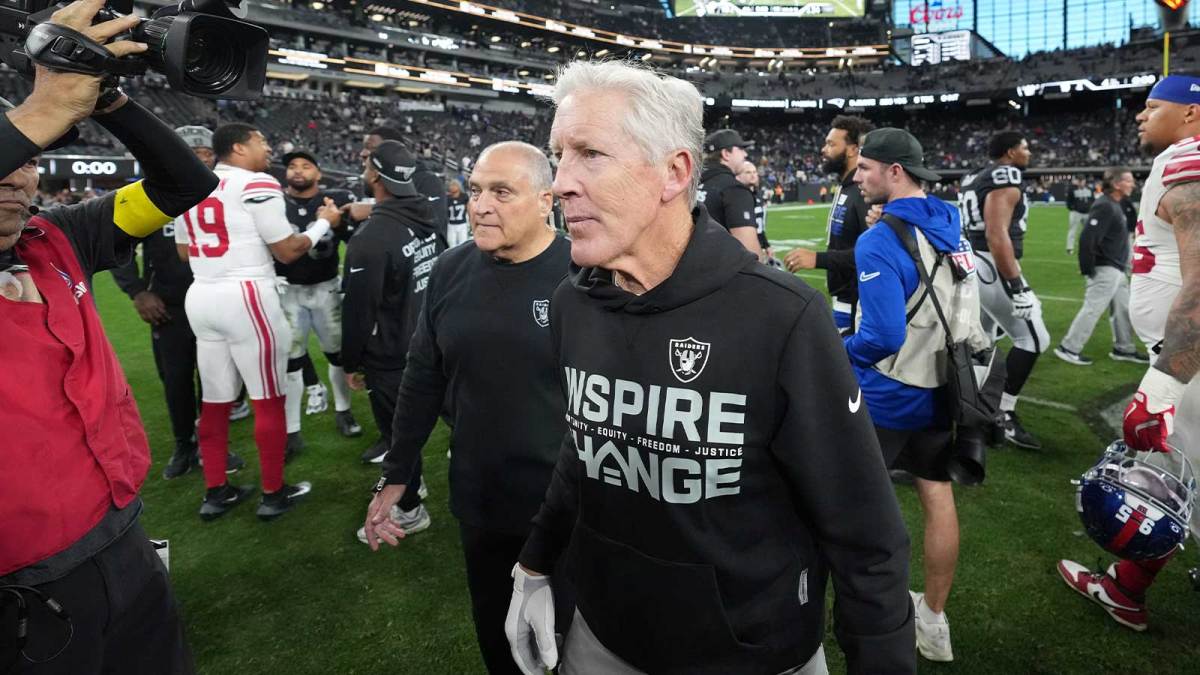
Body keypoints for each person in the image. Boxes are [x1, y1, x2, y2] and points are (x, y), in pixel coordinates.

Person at [504, 60, 913, 675]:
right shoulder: (573, 303)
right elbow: (585, 441)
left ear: (674, 172)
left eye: (589, 154)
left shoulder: (782, 317)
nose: (560, 183)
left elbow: (864, 529)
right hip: (600, 632)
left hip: (751, 653)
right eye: (559, 156)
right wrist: (536, 562)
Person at [0, 1, 217, 670]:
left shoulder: (58, 236)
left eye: (28, 161)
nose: (16, 175)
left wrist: (110, 101)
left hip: (122, 538)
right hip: (20, 590)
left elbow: (186, 182)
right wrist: (41, 111)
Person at [362, 141, 574, 675]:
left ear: (545, 200)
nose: (481, 205)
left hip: (570, 505)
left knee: (574, 643)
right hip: (482, 498)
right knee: (500, 638)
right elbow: (422, 375)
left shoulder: (585, 274)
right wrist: (397, 471)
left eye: (501, 192)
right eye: (476, 191)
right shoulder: (451, 269)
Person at [1058, 74, 1200, 632]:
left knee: (1175, 482)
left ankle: (1123, 592)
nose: (1141, 115)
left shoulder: (1188, 157)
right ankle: (1125, 588)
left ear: (1191, 112)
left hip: (1189, 361)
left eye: (1153, 105)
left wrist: (1163, 385)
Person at [847, 128, 989, 663]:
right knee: (936, 497)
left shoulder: (879, 239)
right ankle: (933, 621)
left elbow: (883, 336)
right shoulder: (949, 223)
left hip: (886, 393)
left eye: (866, 167)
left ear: (895, 172)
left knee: (846, 504)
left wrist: (840, 350)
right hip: (943, 389)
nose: (857, 176)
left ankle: (867, 619)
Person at [177, 123, 343, 521]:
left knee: (215, 400)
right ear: (238, 148)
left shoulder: (188, 183)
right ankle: (273, 493)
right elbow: (287, 250)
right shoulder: (256, 183)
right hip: (246, 295)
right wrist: (323, 223)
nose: (268, 147)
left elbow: (184, 251)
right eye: (261, 141)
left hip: (201, 294)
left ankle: (216, 491)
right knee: (268, 398)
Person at [111, 125, 246, 478]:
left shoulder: (226, 192)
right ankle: (184, 444)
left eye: (205, 152)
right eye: (191, 152)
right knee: (176, 380)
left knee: (217, 380)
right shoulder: (150, 194)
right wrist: (138, 291)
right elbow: (117, 246)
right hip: (170, 307)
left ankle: (213, 444)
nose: (200, 159)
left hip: (216, 300)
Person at [342, 140, 443, 492]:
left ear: (375, 176)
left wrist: (350, 361)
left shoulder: (372, 238)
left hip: (390, 354)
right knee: (414, 425)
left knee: (397, 434)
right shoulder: (425, 217)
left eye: (367, 164)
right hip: (424, 339)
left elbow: (358, 311)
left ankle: (409, 505)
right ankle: (415, 484)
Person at [960, 131, 1048, 449]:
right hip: (990, 263)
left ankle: (971, 408)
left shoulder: (974, 176)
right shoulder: (1004, 175)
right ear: (1010, 152)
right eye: (1025, 147)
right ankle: (1003, 413)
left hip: (974, 262)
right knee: (1034, 339)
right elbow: (996, 233)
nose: (1029, 152)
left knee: (982, 341)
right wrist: (1016, 285)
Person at [276, 149, 362, 456]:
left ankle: (343, 411)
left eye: (306, 165)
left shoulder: (333, 200)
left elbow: (355, 240)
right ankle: (292, 429)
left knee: (337, 355)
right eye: (293, 166)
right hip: (287, 290)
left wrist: (337, 224)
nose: (298, 170)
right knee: (291, 361)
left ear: (319, 173)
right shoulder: (274, 202)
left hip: (326, 289)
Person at [784, 115, 875, 331]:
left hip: (857, 302)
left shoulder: (863, 192)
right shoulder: (845, 186)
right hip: (843, 297)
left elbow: (872, 253)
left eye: (831, 144)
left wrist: (818, 259)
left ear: (852, 150)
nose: (824, 150)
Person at [1054, 168, 1148, 366]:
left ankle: (1124, 348)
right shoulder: (1105, 205)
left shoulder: (1115, 204)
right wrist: (1087, 268)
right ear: (1116, 184)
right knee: (1093, 308)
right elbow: (1088, 238)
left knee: (1123, 309)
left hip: (1117, 268)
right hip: (1105, 268)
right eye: (1128, 180)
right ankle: (1069, 348)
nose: (1133, 184)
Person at [699, 128, 763, 259]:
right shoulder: (733, 190)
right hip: (718, 268)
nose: (745, 154)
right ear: (726, 154)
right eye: (741, 149)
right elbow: (750, 253)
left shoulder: (691, 185)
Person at [735, 160, 776, 265]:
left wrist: (766, 245)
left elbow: (760, 227)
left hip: (758, 246)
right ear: (738, 176)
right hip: (742, 250)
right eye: (748, 172)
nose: (753, 175)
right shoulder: (734, 197)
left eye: (754, 172)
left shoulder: (758, 195)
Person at [1065, 176, 1096, 255]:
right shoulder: (1072, 189)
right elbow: (1068, 201)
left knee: (1089, 231)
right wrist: (1072, 208)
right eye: (1079, 181)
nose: (1081, 182)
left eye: (1082, 180)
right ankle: (1070, 248)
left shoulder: (1089, 189)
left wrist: (1091, 209)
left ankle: (1089, 247)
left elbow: (1093, 200)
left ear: (1084, 181)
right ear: (1077, 181)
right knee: (1072, 230)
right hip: (1076, 213)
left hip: (1087, 213)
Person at [446, 178, 471, 247]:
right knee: (451, 244)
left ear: (458, 186)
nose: (452, 187)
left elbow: (468, 208)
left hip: (462, 224)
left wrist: (470, 220)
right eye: (451, 185)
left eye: (454, 185)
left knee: (463, 243)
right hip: (451, 224)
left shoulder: (464, 196)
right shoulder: (447, 198)